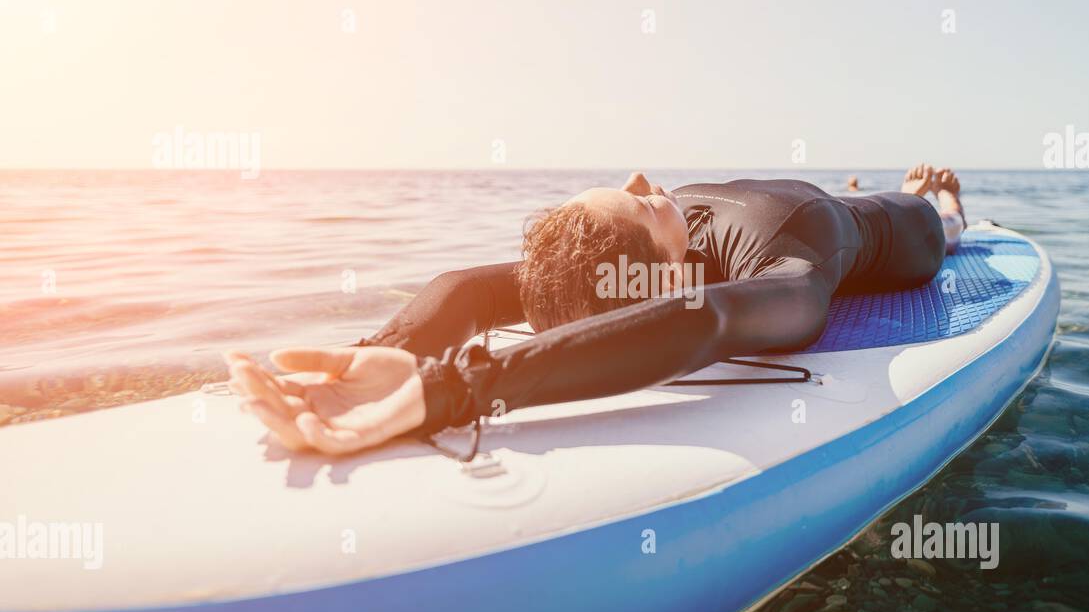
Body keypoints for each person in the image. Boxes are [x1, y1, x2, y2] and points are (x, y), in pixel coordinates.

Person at [226, 165, 967, 454]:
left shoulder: (787, 257)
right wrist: (386, 354)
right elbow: (469, 287)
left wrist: (455, 389)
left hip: (893, 229)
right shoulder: (631, 262)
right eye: (642, 200)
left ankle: (946, 196)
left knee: (948, 228)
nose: (648, 179)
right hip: (778, 209)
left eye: (642, 194)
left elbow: (707, 318)